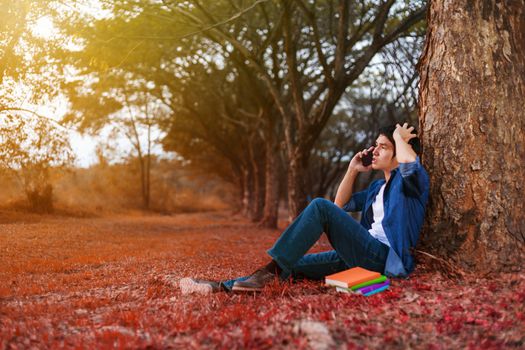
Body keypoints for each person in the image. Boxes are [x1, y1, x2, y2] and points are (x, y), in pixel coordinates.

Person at [179, 123, 429, 295]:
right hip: (357, 254)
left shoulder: (410, 184)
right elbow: (339, 206)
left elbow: (409, 163)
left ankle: (269, 272)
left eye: (383, 147)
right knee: (293, 265)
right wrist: (352, 169)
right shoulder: (376, 189)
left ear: (400, 151)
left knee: (319, 206)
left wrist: (398, 136)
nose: (374, 151)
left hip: (383, 259)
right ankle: (218, 287)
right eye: (375, 145)